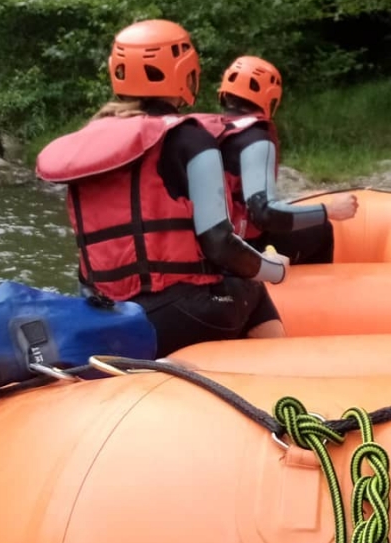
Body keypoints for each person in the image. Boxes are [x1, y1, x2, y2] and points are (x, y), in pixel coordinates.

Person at [36, 20, 290, 356]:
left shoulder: (90, 141)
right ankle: (278, 383)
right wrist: (274, 270)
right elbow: (220, 245)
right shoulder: (190, 139)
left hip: (105, 314)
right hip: (178, 312)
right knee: (253, 289)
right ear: (185, 73)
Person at [200, 55, 358, 264]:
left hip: (205, 244)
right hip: (239, 248)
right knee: (321, 230)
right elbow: (265, 213)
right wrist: (329, 210)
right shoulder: (255, 137)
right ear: (269, 97)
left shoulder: (206, 130)